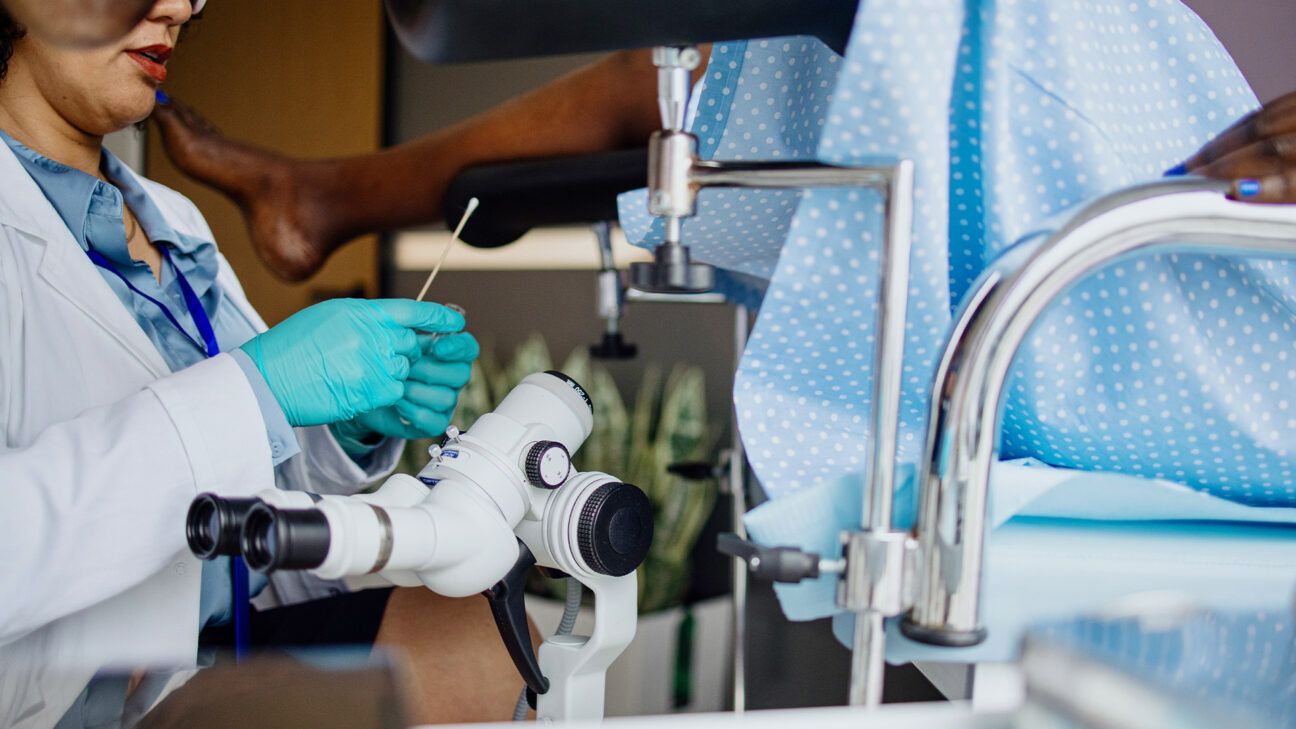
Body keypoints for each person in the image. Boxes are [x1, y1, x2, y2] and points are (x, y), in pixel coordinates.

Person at [0, 1, 495, 726]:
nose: (180, 8)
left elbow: (237, 476)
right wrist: (255, 387)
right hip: (62, 699)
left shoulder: (175, 223)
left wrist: (341, 427)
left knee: (477, 634)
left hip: (204, 657)